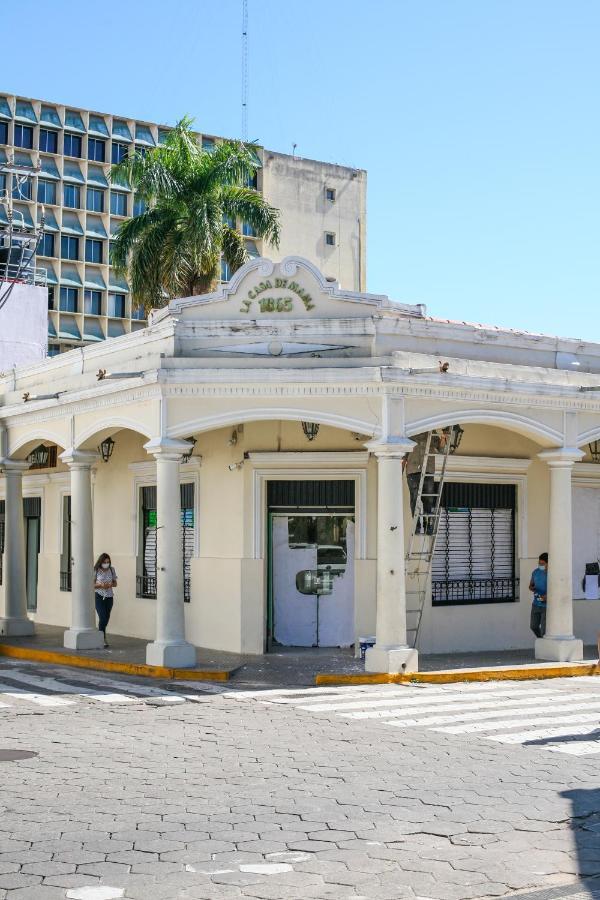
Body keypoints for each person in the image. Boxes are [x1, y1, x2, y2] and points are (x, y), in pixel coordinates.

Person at [405, 430, 446, 534]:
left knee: (428, 499)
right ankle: (417, 525)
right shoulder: (409, 434)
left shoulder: (431, 434)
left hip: (428, 471)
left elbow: (441, 449)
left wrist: (444, 437)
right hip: (413, 471)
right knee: (414, 499)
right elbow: (403, 456)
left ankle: (429, 525)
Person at [94, 553, 117, 648]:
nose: (106, 564)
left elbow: (115, 583)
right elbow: (91, 584)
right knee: (102, 617)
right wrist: (100, 585)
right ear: (101, 562)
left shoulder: (112, 570)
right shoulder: (96, 570)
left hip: (109, 597)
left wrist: (110, 584)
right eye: (104, 562)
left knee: (106, 619)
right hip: (99, 596)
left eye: (108, 562)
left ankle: (101, 635)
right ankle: (102, 638)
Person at [529, 552, 548, 638]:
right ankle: (541, 641)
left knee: (544, 630)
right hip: (536, 603)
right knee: (533, 626)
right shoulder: (535, 572)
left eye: (542, 564)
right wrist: (532, 587)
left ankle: (544, 645)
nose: (540, 565)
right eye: (539, 563)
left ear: (548, 563)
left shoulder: (553, 574)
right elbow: (531, 585)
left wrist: (547, 597)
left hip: (546, 606)